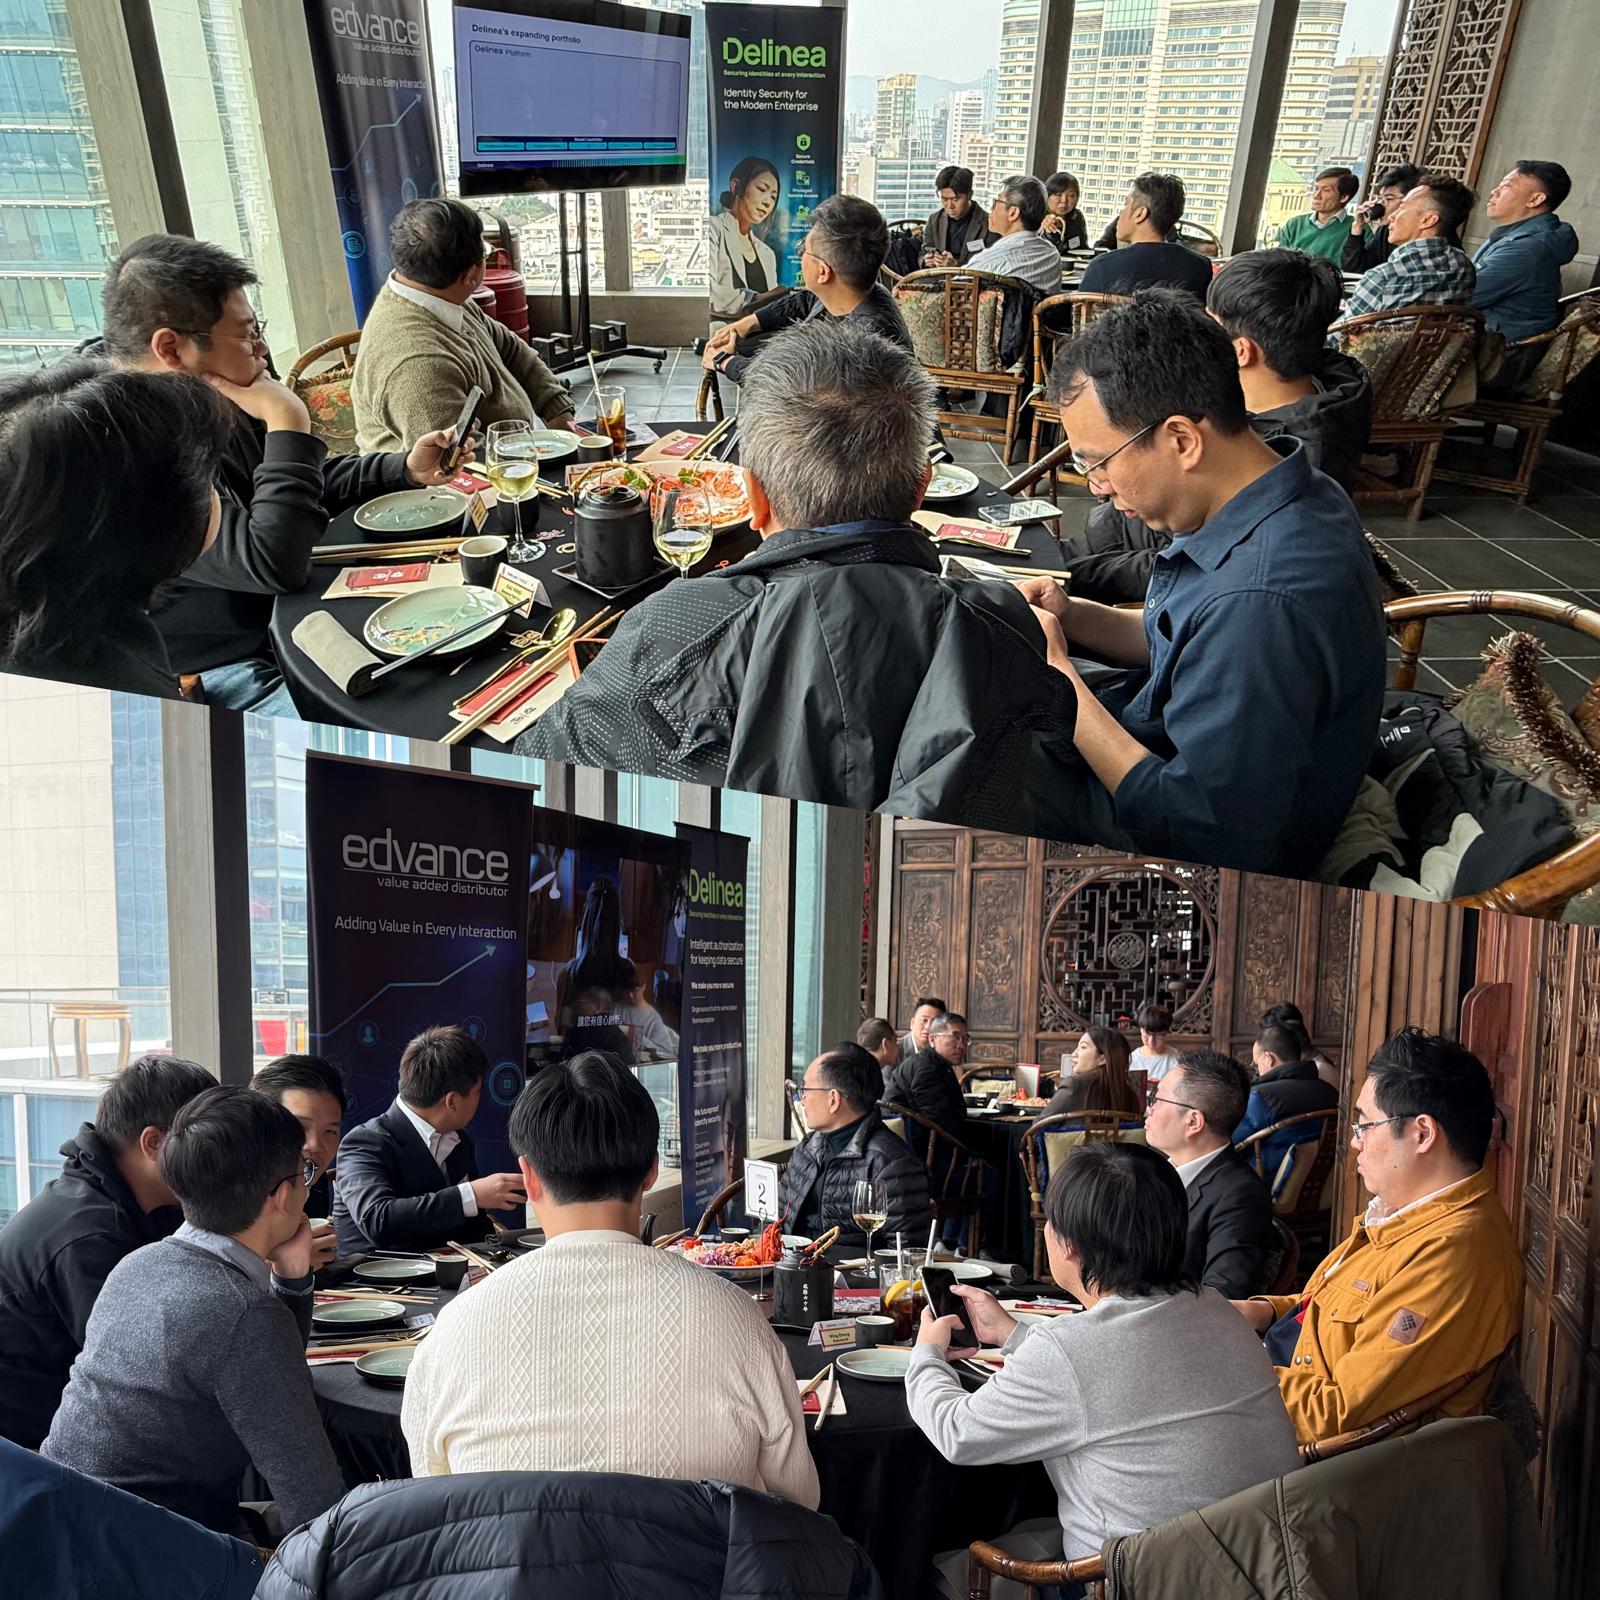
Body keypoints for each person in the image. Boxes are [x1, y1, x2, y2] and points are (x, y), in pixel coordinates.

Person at [518, 319, 1074, 827]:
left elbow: (534, 785)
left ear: (753, 496)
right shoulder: (1004, 627)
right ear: (920, 487)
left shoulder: (668, 627)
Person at [1022, 290, 1386, 878]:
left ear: (1183, 440)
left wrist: (1060, 678)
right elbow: (1187, 636)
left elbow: (1202, 835)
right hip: (1172, 744)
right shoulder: (1291, 487)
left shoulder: (1259, 603)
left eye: (1099, 461)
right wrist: (1077, 616)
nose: (1097, 486)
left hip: (1190, 849)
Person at [401, 1051, 818, 1503]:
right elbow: (798, 1502)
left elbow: (434, 1503)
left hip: (511, 1554)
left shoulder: (453, 1332)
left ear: (529, 1178)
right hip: (703, 1554)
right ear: (652, 1170)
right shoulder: (737, 1320)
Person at [95, 235, 468, 713]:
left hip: (285, 623)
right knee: (400, 723)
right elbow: (272, 564)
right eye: (248, 334)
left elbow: (292, 486)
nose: (263, 347)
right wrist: (288, 419)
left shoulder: (209, 394)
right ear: (171, 348)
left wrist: (404, 468)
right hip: (221, 670)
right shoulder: (123, 449)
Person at [907, 1141, 1298, 1592]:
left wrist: (927, 1352)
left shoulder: (1068, 1351)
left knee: (931, 1573)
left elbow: (956, 1434)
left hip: (1133, 1582)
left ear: (1069, 1246)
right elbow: (1121, 1373)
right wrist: (1014, 1335)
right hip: (1261, 1571)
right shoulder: (1217, 1310)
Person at [42, 1085, 345, 1537]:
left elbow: (274, 1373)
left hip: (61, 1529)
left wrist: (292, 1275)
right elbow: (316, 1507)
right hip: (157, 1550)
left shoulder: (137, 1264)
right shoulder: (240, 1312)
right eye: (303, 1172)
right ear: (283, 1195)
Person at [1234, 1029, 1524, 1443]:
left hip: (1301, 1454)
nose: (1354, 1143)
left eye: (1365, 1125)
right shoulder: (1405, 1215)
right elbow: (1331, 1311)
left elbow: (1335, 1415)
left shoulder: (1452, 1254)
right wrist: (1262, 1311)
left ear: (1422, 1134)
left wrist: (1222, 1372)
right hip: (1275, 1380)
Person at [1056, 248, 1372, 603]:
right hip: (1120, 538)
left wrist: (1071, 574)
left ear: (1240, 351)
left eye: (1211, 323)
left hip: (1138, 571)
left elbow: (1194, 564)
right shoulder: (1312, 395)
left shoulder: (1299, 458)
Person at [0, 1054, 214, 1449]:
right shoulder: (89, 1236)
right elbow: (141, 1371)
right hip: (36, 1453)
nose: (219, 1160)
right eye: (207, 1142)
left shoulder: (144, 1203)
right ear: (153, 1143)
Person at [0, 361, 229, 699]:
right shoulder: (120, 694)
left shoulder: (47, 626)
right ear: (155, 522)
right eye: (207, 478)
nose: (214, 492)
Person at [352, 198, 574, 454]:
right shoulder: (417, 365)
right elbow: (460, 462)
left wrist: (558, 413)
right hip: (472, 471)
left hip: (511, 448)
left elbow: (514, 351)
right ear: (470, 275)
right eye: (485, 253)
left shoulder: (439, 296)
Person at [332, 1024, 526, 1254]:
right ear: (452, 1101)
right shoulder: (364, 1143)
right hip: (375, 1274)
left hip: (449, 1270)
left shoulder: (460, 1140)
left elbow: (472, 1224)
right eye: (477, 1092)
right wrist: (471, 1194)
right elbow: (378, 1220)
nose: (479, 1100)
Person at [702, 193, 915, 385]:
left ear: (823, 272)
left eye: (804, 249)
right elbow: (806, 300)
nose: (801, 254)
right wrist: (746, 324)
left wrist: (724, 361)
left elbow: (785, 387)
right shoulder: (857, 292)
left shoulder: (860, 346)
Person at [1145, 1049, 1274, 1298]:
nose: (1148, 1110)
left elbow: (1224, 1294)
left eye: (1156, 1099)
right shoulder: (1156, 1169)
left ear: (1193, 1121)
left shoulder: (1240, 1196)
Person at [782, 1044, 933, 1248]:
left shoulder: (892, 1164)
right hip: (792, 1262)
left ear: (833, 1100)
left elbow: (905, 1251)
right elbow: (779, 1216)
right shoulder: (808, 1148)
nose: (802, 1100)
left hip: (849, 1268)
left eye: (805, 1090)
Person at [1340, 177, 1478, 324]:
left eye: (1402, 208)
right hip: (1444, 339)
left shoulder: (1383, 277)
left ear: (1428, 220)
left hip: (1380, 340)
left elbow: (1341, 333)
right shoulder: (1464, 266)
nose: (1391, 216)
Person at [1471, 160, 1580, 346]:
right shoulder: (1516, 235)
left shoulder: (1528, 248)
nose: (1494, 191)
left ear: (1535, 200)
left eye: (1506, 187)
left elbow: (1463, 294)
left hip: (1498, 349)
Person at [251, 1054, 346, 1266]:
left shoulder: (311, 1181)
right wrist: (278, 1265)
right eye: (299, 1127)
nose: (315, 1145)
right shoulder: (228, 1190)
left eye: (330, 1131)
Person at [1079, 173, 1213, 301]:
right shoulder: (1201, 267)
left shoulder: (1102, 267)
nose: (1121, 213)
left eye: (1125, 206)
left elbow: (1083, 313)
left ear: (1140, 214)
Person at [1232, 1023, 1339, 1180]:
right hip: (1317, 1182)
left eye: (1256, 1064)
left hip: (1262, 1183)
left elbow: (1230, 1144)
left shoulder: (1259, 1098)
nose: (1257, 1070)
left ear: (1268, 1058)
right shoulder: (1328, 1091)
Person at [709, 156, 782, 318]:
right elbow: (707, 291)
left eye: (773, 197)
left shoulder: (767, 253)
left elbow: (772, 306)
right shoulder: (713, 229)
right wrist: (753, 300)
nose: (768, 202)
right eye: (762, 189)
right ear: (736, 186)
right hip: (724, 331)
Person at [883, 1012, 970, 1145]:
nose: (961, 1045)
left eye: (965, 1039)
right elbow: (940, 1121)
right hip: (912, 1146)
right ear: (932, 1040)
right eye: (955, 1037)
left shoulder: (939, 1063)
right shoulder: (927, 1068)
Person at [966, 175, 1063, 293]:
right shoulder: (1052, 255)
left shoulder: (992, 261)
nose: (991, 207)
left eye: (996, 202)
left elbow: (952, 287)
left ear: (1013, 213)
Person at [1342, 163, 1424, 273]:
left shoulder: (1425, 235)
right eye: (1381, 198)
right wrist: (1357, 227)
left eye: (1389, 199)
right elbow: (1355, 269)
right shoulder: (1385, 231)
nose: (1381, 204)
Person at [1045, 1026, 1142, 1118]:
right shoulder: (1131, 1096)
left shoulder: (1074, 1085)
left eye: (1083, 1047)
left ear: (1103, 1058)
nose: (1074, 1054)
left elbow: (1040, 1126)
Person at [1276, 167, 1360, 262]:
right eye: (1316, 188)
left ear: (1343, 197)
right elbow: (1277, 261)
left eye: (1326, 190)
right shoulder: (1294, 224)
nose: (1316, 195)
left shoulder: (1357, 231)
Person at [922, 164, 993, 267]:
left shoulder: (989, 224)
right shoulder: (934, 220)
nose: (949, 206)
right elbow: (924, 251)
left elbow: (991, 264)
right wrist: (927, 260)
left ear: (969, 195)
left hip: (971, 277)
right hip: (937, 275)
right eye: (944, 199)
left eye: (955, 199)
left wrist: (956, 265)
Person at [1130, 1003, 1181, 1084]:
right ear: (1141, 1030)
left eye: (1158, 1035)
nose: (1151, 1040)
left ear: (1167, 1033)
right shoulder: (1132, 1059)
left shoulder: (1176, 1059)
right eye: (1147, 1033)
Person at [1041, 172, 1090, 253]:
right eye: (1058, 194)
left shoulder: (1076, 217)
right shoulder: (1037, 217)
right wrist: (1048, 233)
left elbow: (1083, 249)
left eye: (1071, 195)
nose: (1064, 201)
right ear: (1047, 195)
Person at [898, 996, 948, 1062]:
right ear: (912, 1023)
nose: (928, 1027)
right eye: (924, 1020)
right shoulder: (895, 1049)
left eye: (934, 1022)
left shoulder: (942, 1052)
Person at [856, 1016, 899, 1088]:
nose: (898, 1047)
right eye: (895, 1041)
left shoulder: (861, 1069)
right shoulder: (868, 1080)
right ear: (885, 1044)